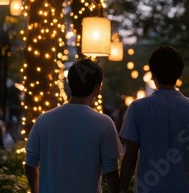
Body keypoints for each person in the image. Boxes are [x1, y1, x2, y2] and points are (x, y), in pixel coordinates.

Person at [119, 45, 189, 193]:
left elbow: (130, 157)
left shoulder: (137, 108)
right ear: (179, 73)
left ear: (152, 73)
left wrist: (121, 190)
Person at [25, 59, 122, 193]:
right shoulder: (104, 123)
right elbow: (111, 171)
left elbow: (30, 164)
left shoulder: (44, 119)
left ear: (70, 85)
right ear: (96, 88)